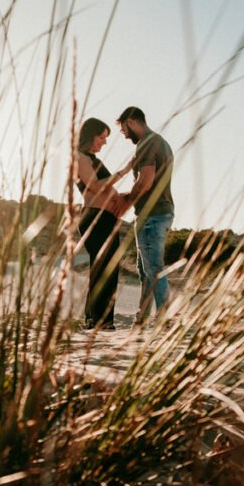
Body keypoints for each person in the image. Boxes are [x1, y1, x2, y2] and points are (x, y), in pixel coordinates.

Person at [116, 106, 174, 325]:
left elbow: (146, 180)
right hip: (158, 213)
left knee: (153, 268)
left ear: (131, 121)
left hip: (153, 214)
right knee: (145, 269)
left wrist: (126, 201)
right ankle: (141, 318)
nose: (124, 136)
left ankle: (165, 319)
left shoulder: (147, 143)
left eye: (123, 130)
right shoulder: (160, 142)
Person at [75, 118, 133, 330]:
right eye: (102, 137)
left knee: (110, 270)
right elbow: (96, 187)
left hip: (106, 218)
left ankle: (103, 321)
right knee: (102, 270)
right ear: (90, 135)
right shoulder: (79, 157)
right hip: (95, 218)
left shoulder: (91, 158)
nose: (104, 143)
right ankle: (96, 321)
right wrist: (125, 170)